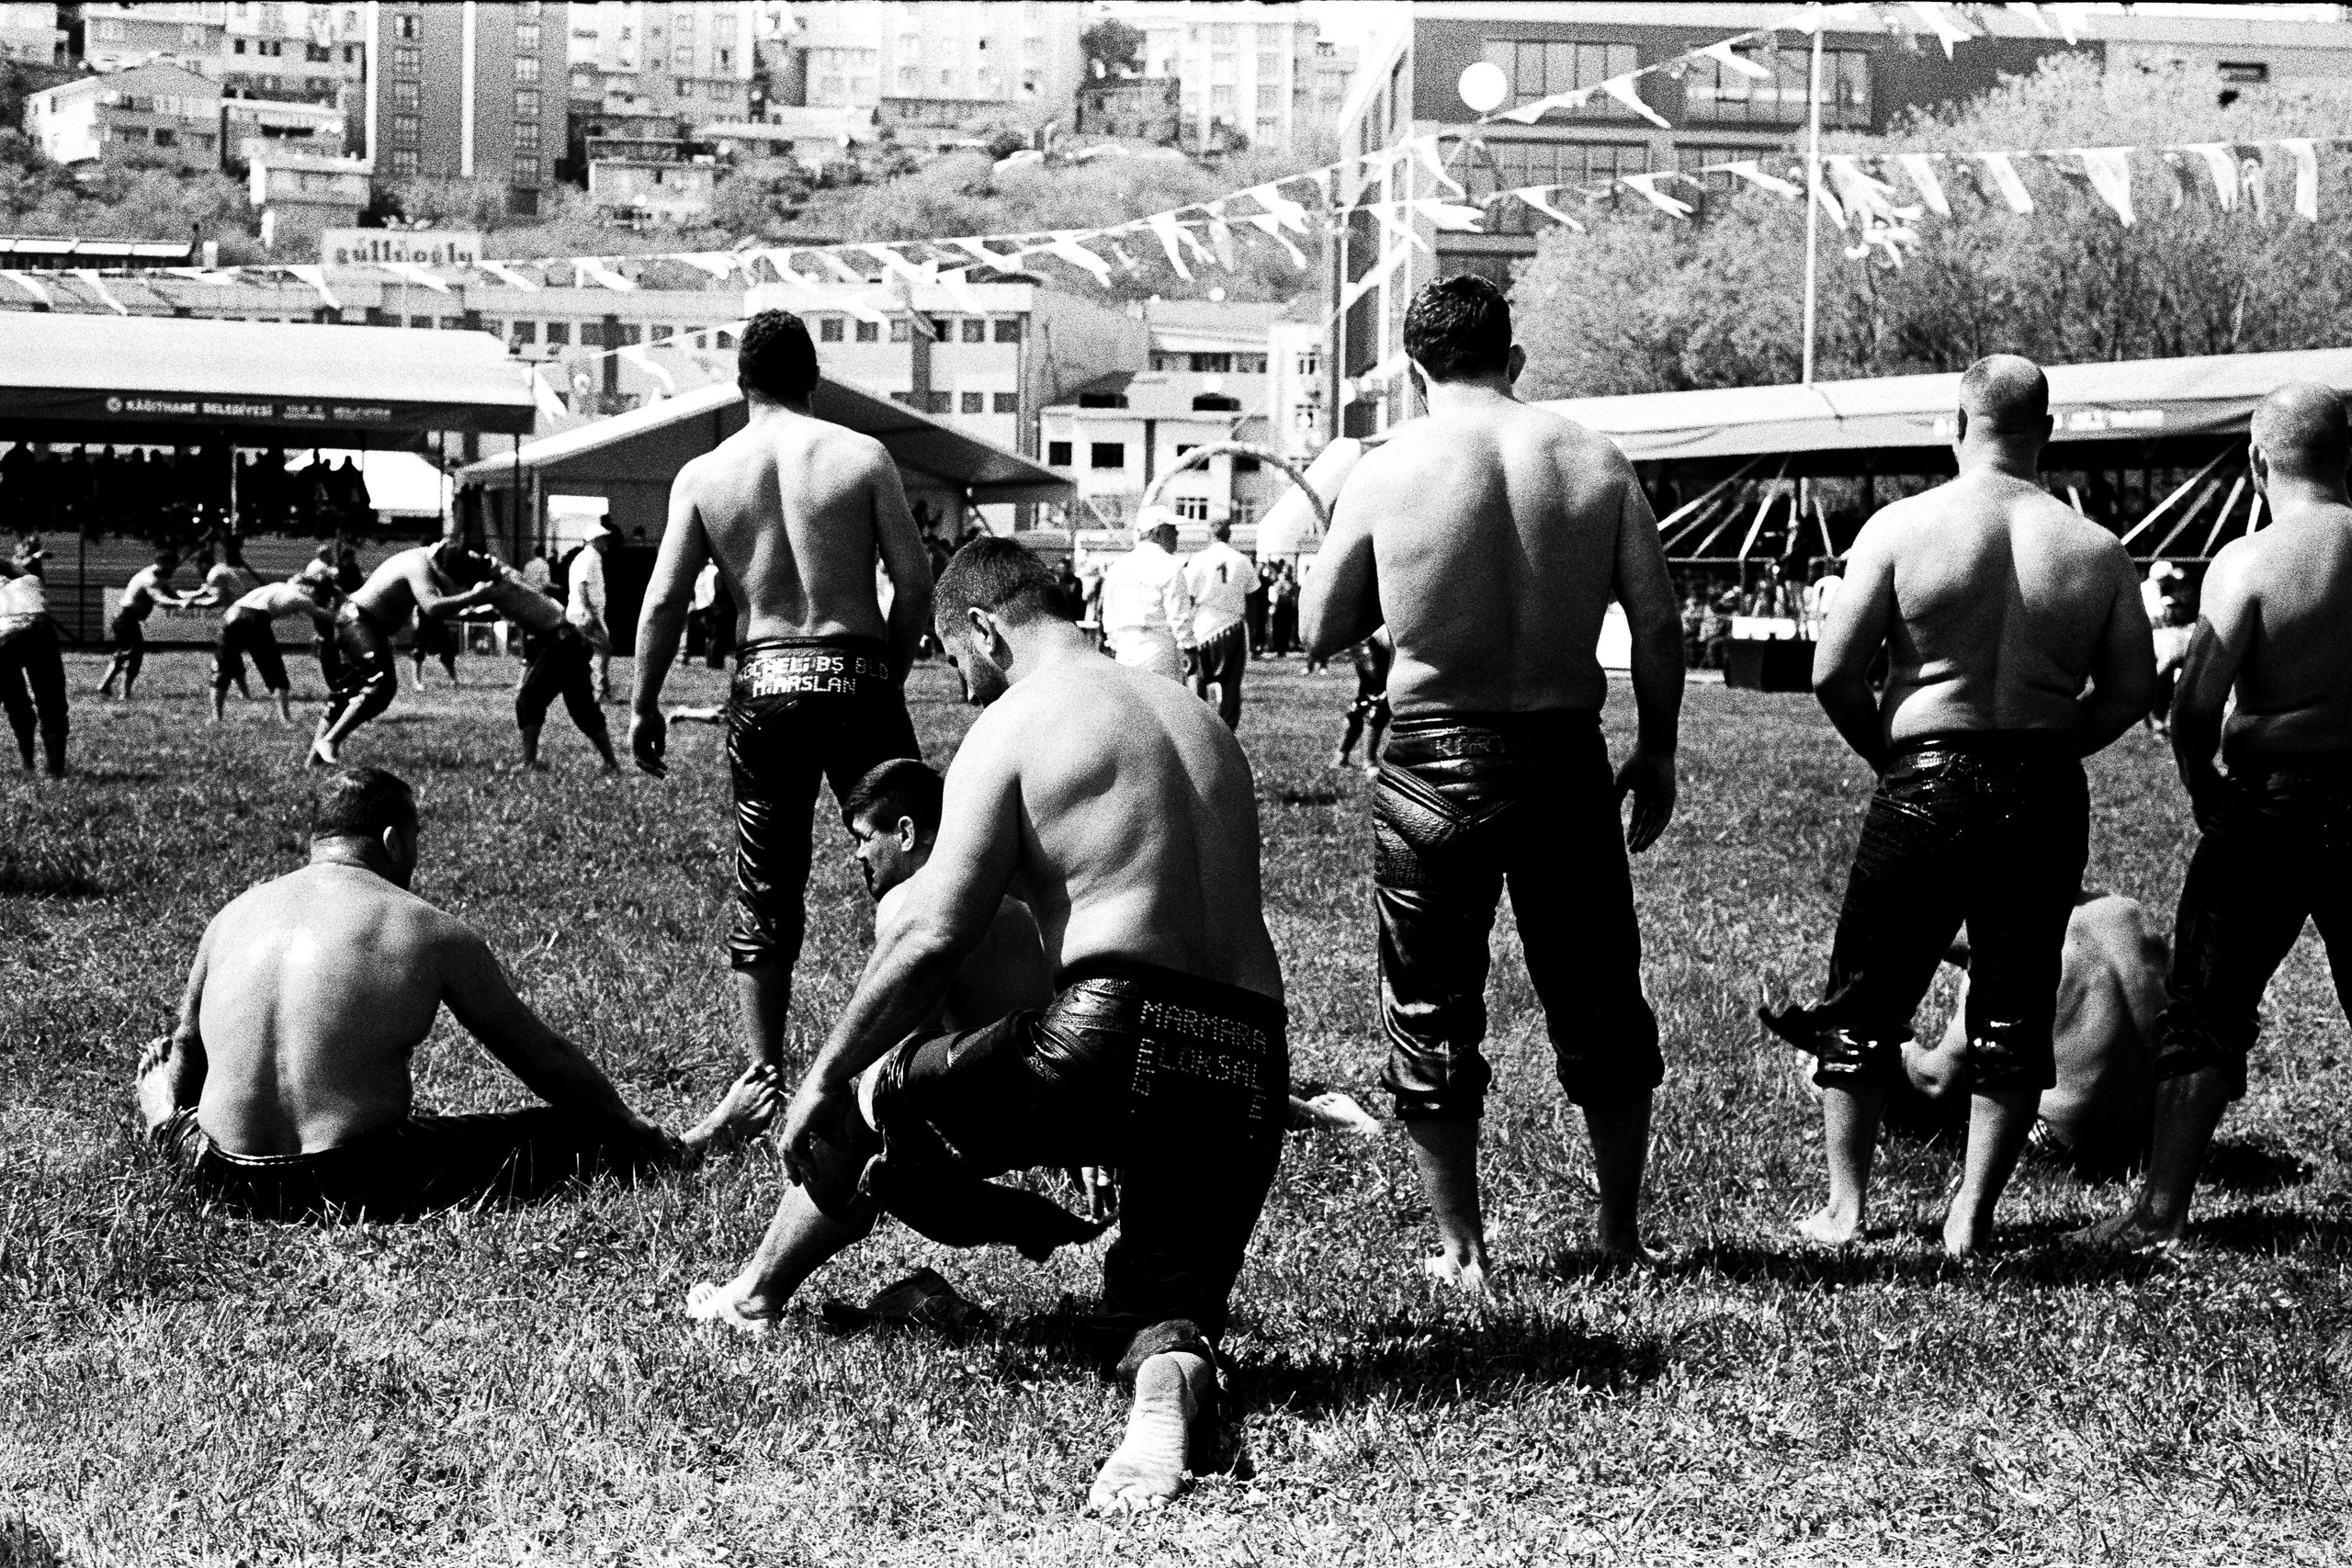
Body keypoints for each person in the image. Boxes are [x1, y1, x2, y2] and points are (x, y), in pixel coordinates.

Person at [685, 539, 1287, 1515]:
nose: (956, 681)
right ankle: (1164, 1405)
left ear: (981, 627)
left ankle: (752, 1296)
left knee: (874, 1097)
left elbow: (931, 931)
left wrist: (827, 1077)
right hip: (1247, 1051)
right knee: (1162, 1310)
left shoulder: (1016, 722)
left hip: (1108, 1025)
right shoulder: (1199, 720)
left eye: (948, 655)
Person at [1300, 275, 1684, 1291]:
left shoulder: (1389, 467)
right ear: (1512, 362)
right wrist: (1656, 748)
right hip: (1562, 747)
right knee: (1600, 993)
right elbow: (1654, 621)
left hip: (1434, 753)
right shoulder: (1591, 459)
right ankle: (1616, 1232)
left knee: (1430, 1004)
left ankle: (1462, 1248)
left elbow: (1316, 628)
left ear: (1416, 371)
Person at [1759, 354, 2155, 1257]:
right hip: (2041, 784)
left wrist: (1894, 758)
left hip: (1924, 774)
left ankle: (1846, 1210)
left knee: (1864, 1002)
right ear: (2044, 433)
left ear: (1956, 423)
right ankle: (1969, 1218)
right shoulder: (2093, 551)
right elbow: (2129, 690)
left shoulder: (1903, 527)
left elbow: (1832, 672)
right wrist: (2053, 747)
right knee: (2014, 1004)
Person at [136, 767, 777, 1220]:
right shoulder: (425, 927)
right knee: (573, 1129)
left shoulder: (234, 914)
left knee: (177, 1103)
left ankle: (158, 1117)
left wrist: (176, 1119)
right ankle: (691, 1144)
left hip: (223, 1178)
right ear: (393, 839)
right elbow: (542, 1059)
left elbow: (188, 1049)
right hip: (358, 1179)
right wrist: (628, 1124)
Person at [2078, 384, 2352, 1251]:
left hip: (2265, 809)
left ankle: (2160, 1209)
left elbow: (2194, 712)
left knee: (2204, 1007)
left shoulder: (2249, 563)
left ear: (2259, 462)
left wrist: (2223, 763)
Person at [630, 310, 933, 1073]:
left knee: (766, 882)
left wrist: (642, 703)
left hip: (765, 676)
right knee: (912, 863)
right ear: (814, 377)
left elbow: (664, 600)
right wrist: (885, 672)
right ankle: (916, 1051)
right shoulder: (862, 456)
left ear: (741, 384)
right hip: (856, 664)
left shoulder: (705, 475)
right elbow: (915, 582)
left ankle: (763, 1071)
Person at [1826, 893, 2164, 1178]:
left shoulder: (2012, 948)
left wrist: (1891, 1041)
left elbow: (1933, 1082)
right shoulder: (2129, 915)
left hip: (2066, 1148)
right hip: (2147, 1141)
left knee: (1848, 1059)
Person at [312, 534, 501, 767]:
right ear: (441, 565)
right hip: (359, 621)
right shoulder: (418, 565)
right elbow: (432, 607)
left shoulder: (429, 560)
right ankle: (330, 741)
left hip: (360, 621)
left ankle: (312, 764)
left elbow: (461, 577)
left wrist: (485, 570)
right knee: (381, 685)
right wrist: (476, 596)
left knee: (346, 695)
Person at [479, 557, 620, 773]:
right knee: (582, 708)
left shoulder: (490, 589)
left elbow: (437, 608)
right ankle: (611, 763)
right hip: (571, 640)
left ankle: (529, 763)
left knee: (530, 700)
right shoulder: (512, 577)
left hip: (561, 643)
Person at [211, 576, 339, 724]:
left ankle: (216, 717)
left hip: (232, 613)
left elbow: (299, 579)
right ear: (312, 591)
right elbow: (324, 615)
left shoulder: (280, 585)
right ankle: (285, 718)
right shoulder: (302, 599)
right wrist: (344, 609)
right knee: (274, 670)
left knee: (222, 666)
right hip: (256, 618)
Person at [1099, 511, 1195, 682]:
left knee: (1131, 705)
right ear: (1157, 532)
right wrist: (1190, 648)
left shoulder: (1118, 566)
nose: (1177, 535)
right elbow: (1179, 615)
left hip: (1126, 650)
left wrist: (1114, 643)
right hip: (1159, 651)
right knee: (1164, 705)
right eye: (1172, 529)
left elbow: (1109, 613)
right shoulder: (1171, 565)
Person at [0, 537, 66, 775]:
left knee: (15, 699)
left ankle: (29, 763)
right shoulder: (26, 576)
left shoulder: (23, 571)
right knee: (51, 699)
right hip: (37, 623)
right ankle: (55, 771)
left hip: (4, 631)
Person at [96, 547, 191, 701]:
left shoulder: (159, 575)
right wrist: (180, 604)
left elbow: (173, 593)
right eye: (172, 567)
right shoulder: (150, 579)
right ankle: (122, 693)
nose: (174, 571)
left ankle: (107, 686)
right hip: (125, 621)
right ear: (162, 563)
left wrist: (197, 594)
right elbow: (161, 600)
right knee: (133, 656)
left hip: (128, 621)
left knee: (125, 655)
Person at [1185, 520, 1252, 729]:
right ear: (1229, 534)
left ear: (1208, 534)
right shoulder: (1242, 560)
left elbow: (1188, 595)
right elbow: (1252, 594)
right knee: (1231, 685)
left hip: (1203, 625)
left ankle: (1199, 727)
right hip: (1233, 626)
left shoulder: (1197, 559)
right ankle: (1228, 731)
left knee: (1197, 679)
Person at [1330, 629, 1393, 773]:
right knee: (1379, 700)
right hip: (1374, 642)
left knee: (1365, 700)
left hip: (1366, 640)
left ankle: (1341, 756)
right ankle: (1369, 762)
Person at [567, 520, 616, 701]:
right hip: (584, 613)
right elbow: (582, 584)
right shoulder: (589, 558)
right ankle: (600, 690)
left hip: (583, 612)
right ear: (594, 540)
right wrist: (588, 611)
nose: (606, 542)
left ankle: (599, 690)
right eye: (603, 538)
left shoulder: (590, 557)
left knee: (585, 653)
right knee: (603, 647)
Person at [410, 604, 463, 687]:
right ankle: (416, 682)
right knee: (418, 648)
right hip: (421, 612)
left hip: (436, 615)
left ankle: (453, 679)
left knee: (447, 648)